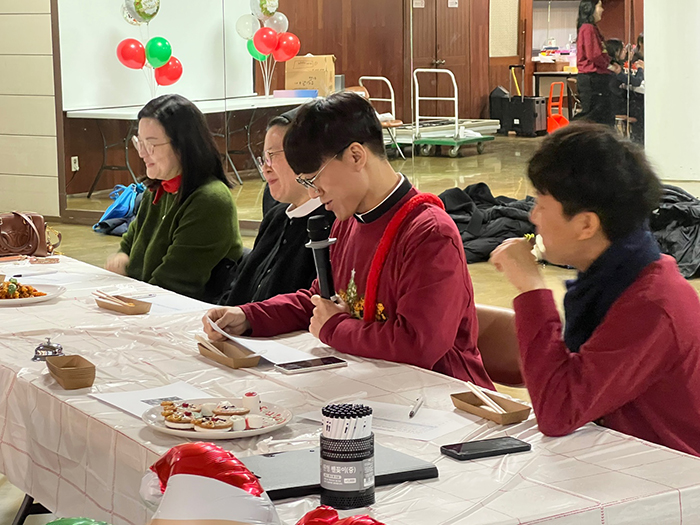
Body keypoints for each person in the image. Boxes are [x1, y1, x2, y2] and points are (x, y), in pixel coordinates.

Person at [203, 92, 493, 388]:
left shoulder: (429, 232)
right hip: (376, 384)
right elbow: (320, 300)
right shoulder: (347, 222)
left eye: (315, 178)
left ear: (356, 156)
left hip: (444, 395)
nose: (314, 193)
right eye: (306, 183)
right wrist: (248, 316)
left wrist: (334, 328)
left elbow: (418, 345)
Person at [490, 123, 700, 456]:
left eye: (542, 204)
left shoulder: (651, 303)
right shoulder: (611, 279)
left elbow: (558, 411)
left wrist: (530, 288)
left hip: (673, 476)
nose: (533, 216)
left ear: (586, 224)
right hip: (624, 460)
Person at [105, 94, 244, 301]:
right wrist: (122, 257)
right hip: (151, 303)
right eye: (139, 143)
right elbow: (129, 244)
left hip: (184, 312)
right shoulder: (157, 190)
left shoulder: (210, 200)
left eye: (151, 145)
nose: (142, 153)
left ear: (182, 146)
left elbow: (174, 284)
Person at [219, 109, 335, 306]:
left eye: (272, 156)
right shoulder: (276, 217)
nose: (266, 168)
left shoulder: (332, 223)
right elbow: (239, 289)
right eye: (264, 158)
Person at [575, 0, 621, 126]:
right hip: (593, 78)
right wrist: (610, 66)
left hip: (594, 77)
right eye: (599, 6)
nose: (602, 10)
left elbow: (600, 52)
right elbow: (594, 55)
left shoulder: (590, 28)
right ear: (591, 8)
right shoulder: (588, 28)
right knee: (593, 115)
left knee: (600, 115)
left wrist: (610, 61)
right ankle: (569, 132)